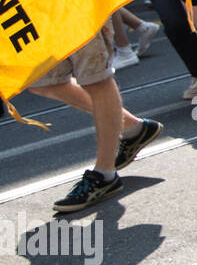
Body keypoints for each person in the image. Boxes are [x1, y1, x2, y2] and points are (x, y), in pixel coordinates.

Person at [26, 21, 164, 213]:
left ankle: (105, 175)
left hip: (76, 4)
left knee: (96, 79)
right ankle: (133, 128)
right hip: (38, 12)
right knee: (40, 81)